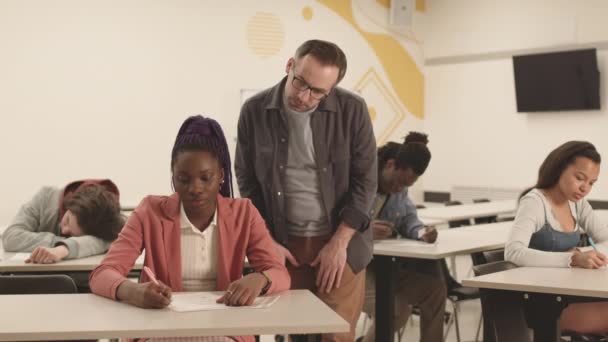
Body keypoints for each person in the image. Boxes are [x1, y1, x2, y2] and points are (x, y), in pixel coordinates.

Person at [89, 115, 290, 342]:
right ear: (173, 177)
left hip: (224, 332)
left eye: (206, 178)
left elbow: (279, 273)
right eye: (183, 179)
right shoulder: (150, 211)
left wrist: (261, 279)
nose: (195, 188)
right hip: (160, 329)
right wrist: (134, 291)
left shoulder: (244, 213)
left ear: (221, 176)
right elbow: (101, 274)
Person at [235, 39, 377, 341]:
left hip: (341, 242)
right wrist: (267, 240)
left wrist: (339, 244)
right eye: (300, 83)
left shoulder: (352, 111)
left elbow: (365, 182)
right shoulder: (255, 111)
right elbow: (247, 181)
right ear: (290, 66)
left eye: (318, 92)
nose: (304, 96)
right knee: (295, 333)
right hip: (285, 243)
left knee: (335, 336)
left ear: (332, 89)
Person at [505, 140, 608, 335]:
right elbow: (513, 252)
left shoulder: (578, 204)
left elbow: (605, 239)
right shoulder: (535, 202)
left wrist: (582, 254)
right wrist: (572, 258)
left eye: (591, 183)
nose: (585, 188)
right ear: (559, 168)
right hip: (541, 303)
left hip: (568, 294)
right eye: (580, 178)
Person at [361, 132, 446, 342]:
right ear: (390, 165)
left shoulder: (400, 191)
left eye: (406, 186)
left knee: (435, 290)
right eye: (398, 182)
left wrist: (421, 233)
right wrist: (363, 230)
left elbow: (409, 219)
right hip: (354, 269)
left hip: (383, 267)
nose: (399, 189)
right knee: (396, 309)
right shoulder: (360, 182)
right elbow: (335, 223)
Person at [3, 179, 124, 263]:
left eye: (72, 234)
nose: (64, 230)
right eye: (67, 221)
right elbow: (11, 237)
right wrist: (61, 243)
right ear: (69, 204)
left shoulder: (107, 217)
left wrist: (64, 249)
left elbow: (115, 239)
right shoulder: (45, 197)